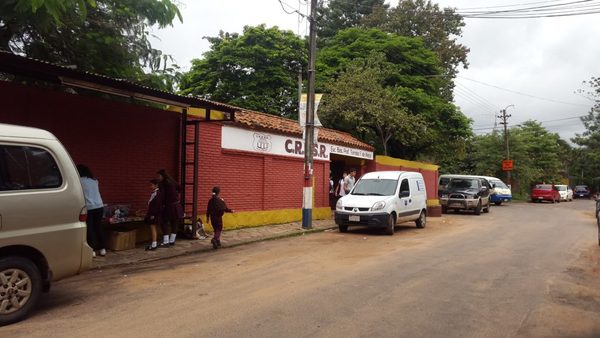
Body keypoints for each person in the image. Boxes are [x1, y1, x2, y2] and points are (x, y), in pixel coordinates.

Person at [77, 164, 106, 257]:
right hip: (99, 206)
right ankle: (102, 249)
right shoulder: (95, 181)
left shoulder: (79, 181)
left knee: (89, 228)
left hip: (89, 207)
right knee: (98, 227)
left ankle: (92, 250)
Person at [157, 169, 183, 247]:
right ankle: (172, 241)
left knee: (164, 223)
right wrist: (176, 195)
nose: (158, 177)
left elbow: (162, 196)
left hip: (168, 206)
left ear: (163, 176)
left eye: (159, 176)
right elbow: (180, 188)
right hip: (177, 205)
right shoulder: (173, 181)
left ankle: (166, 242)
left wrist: (161, 204)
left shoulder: (162, 184)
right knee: (175, 222)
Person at [144, 179, 163, 251]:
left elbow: (156, 205)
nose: (150, 186)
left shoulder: (157, 193)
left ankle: (154, 244)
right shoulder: (155, 193)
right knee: (153, 228)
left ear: (156, 185)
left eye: (152, 185)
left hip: (154, 213)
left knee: (153, 228)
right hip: (153, 213)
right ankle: (153, 243)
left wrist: (153, 214)